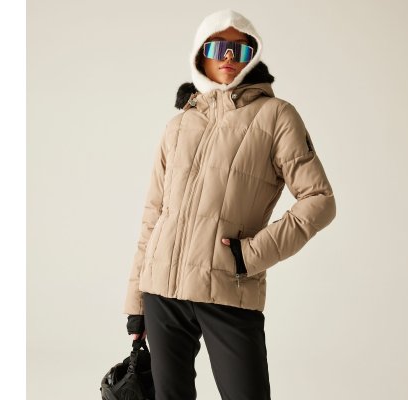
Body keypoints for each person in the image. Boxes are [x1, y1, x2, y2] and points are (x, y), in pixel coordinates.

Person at [123, 9, 336, 399]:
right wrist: (136, 302)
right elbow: (153, 216)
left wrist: (247, 257)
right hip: (162, 292)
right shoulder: (178, 126)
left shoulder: (277, 117)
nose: (228, 57)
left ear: (253, 56)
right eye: (217, 47)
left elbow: (319, 200)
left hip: (228, 287)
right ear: (199, 54)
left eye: (240, 50)